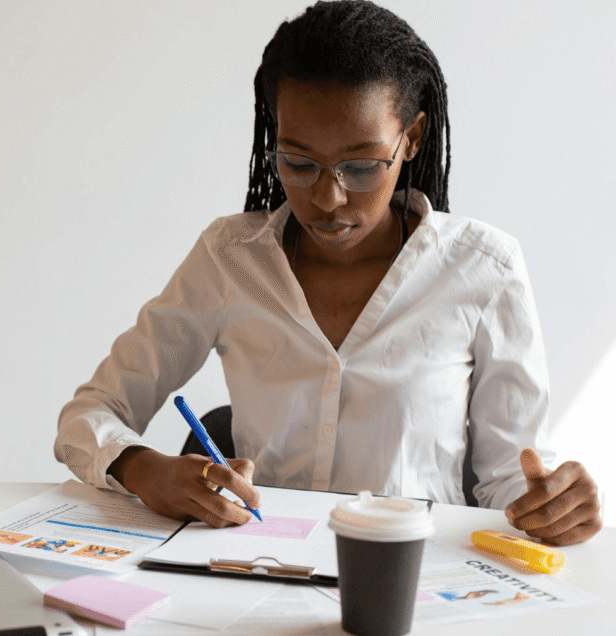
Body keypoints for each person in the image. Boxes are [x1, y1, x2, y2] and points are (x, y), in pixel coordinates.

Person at [54, 0, 602, 546]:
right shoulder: (230, 257)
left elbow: (512, 483)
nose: (328, 197)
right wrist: (144, 469)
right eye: (298, 161)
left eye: (361, 166)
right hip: (257, 565)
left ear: (410, 138)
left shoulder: (485, 270)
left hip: (413, 576)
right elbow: (91, 413)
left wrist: (553, 508)